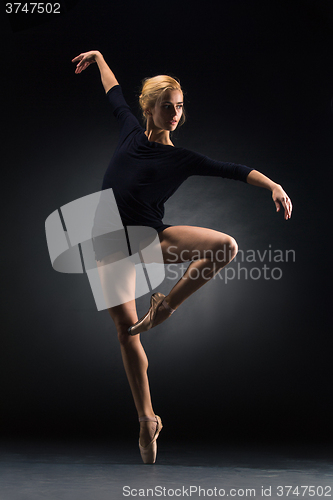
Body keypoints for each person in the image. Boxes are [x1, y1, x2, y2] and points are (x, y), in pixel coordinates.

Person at [72, 50, 292, 464]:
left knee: (225, 246)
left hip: (150, 238)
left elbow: (234, 169)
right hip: (107, 242)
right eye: (167, 107)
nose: (175, 114)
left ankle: (167, 306)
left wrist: (273, 185)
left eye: (180, 107)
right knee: (126, 331)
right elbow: (113, 91)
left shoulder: (182, 158)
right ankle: (146, 419)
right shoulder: (129, 131)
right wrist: (100, 58)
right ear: (149, 108)